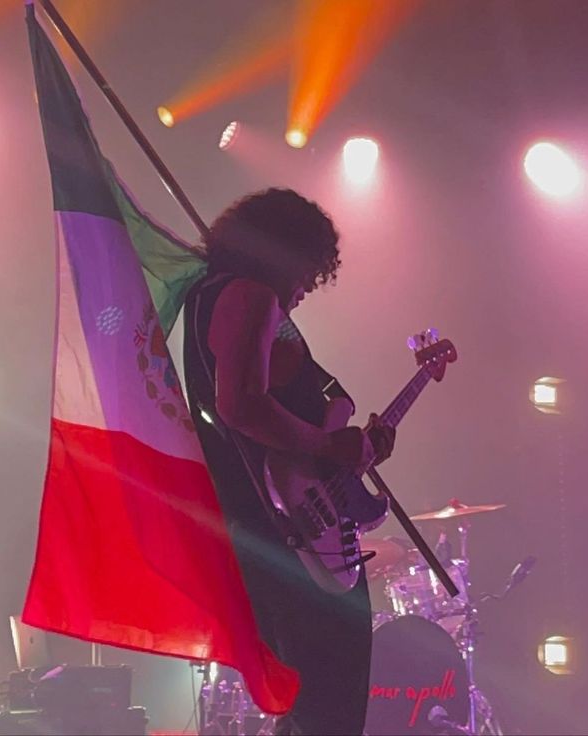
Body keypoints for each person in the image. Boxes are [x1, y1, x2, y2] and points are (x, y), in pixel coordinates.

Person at [183, 188, 395, 735]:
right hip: (280, 526)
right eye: (309, 270)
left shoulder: (222, 295)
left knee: (313, 702)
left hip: (283, 521)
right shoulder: (250, 295)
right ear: (285, 251)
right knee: (330, 699)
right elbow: (242, 407)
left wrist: (345, 451)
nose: (307, 287)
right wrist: (330, 447)